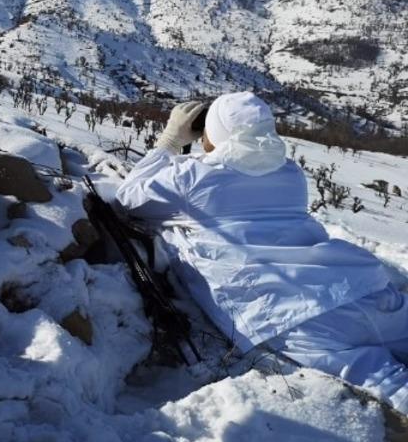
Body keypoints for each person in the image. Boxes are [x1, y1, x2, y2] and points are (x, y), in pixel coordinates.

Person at [115, 92, 408, 413]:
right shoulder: (290, 173)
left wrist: (172, 140)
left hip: (297, 314)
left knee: (388, 384)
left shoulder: (190, 178)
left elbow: (127, 198)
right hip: (362, 287)